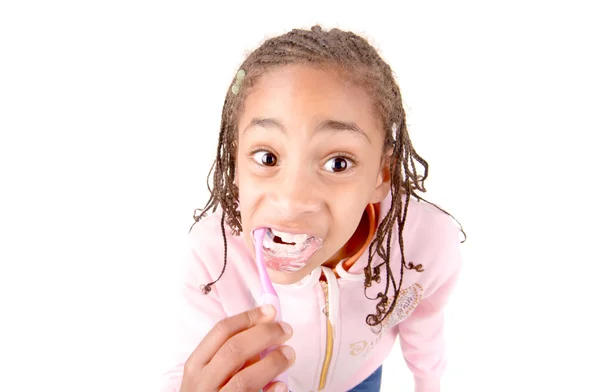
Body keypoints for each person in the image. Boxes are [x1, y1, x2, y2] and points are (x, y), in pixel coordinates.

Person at [160, 25, 464, 392]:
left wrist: (428, 385)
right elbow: (186, 366)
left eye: (338, 163)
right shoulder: (213, 255)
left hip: (360, 379)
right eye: (267, 157)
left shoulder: (425, 241)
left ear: (381, 175)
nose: (291, 200)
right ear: (235, 162)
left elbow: (424, 325)